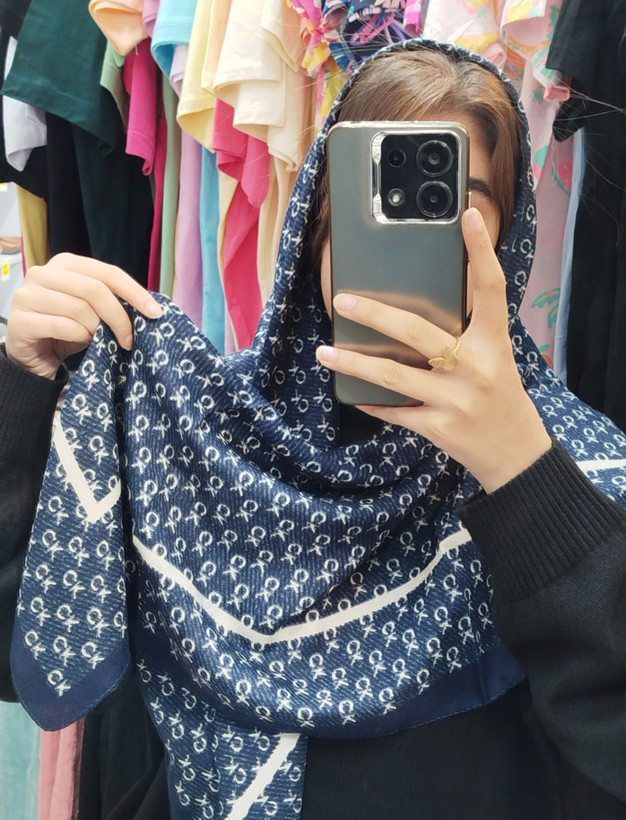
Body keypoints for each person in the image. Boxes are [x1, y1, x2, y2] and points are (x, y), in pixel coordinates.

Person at [2, 39, 626, 820]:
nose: (406, 235)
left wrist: (522, 473)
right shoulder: (204, 437)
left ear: (503, 242)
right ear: (317, 222)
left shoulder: (580, 474)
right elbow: (24, 643)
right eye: (375, 196)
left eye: (448, 204)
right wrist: (22, 384)